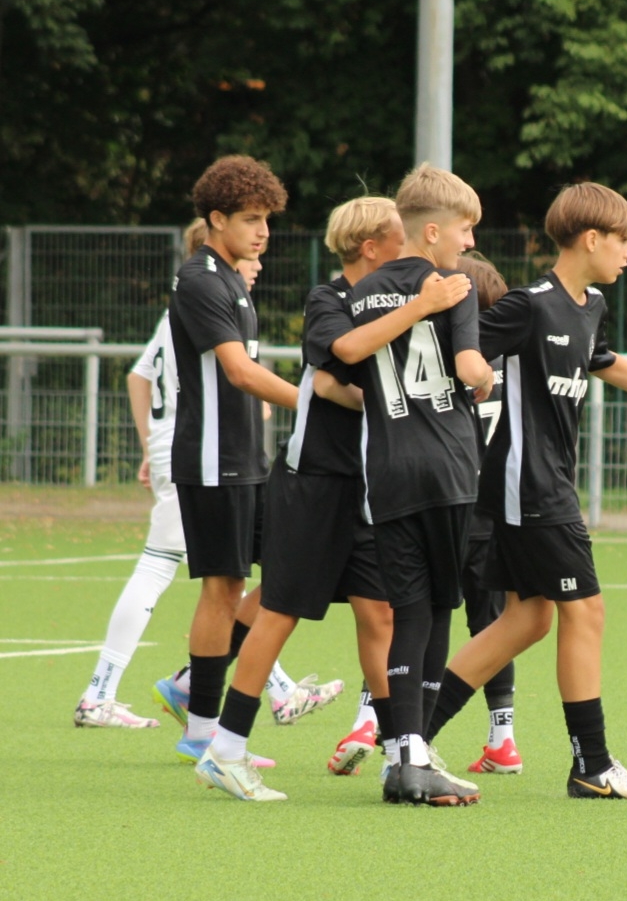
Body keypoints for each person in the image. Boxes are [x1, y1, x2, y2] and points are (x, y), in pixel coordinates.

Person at [432, 182, 627, 802]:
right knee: (584, 611)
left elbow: (603, 360)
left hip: (542, 485)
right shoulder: (529, 305)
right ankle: (593, 764)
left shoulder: (590, 305)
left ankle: (410, 738)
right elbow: (458, 349)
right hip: (530, 485)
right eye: (624, 241)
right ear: (592, 239)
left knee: (526, 619)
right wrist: (469, 378)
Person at [194, 194, 474, 800]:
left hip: (372, 485)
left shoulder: (408, 296)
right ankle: (225, 749)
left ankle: (402, 752)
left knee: (382, 615)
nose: (408, 252)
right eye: (397, 240)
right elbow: (329, 379)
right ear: (372, 247)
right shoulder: (331, 300)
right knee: (280, 611)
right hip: (316, 480)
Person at [75, 222, 322, 730]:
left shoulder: (223, 300)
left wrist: (149, 445)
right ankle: (103, 693)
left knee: (245, 577)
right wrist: (154, 445)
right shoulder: (198, 298)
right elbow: (227, 375)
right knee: (173, 570)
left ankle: (245, 688)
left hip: (204, 449)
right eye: (251, 247)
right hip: (200, 452)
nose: (259, 260)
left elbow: (140, 375)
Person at [331, 164, 493, 807]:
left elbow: (341, 365)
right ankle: (418, 757)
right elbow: (470, 367)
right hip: (448, 469)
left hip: (389, 472)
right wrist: (485, 378)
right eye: (465, 229)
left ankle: (404, 759)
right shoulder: (453, 286)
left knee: (406, 612)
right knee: (439, 608)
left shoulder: (362, 292)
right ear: (432, 231)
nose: (470, 242)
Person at [166, 156, 302, 765]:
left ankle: (191, 683)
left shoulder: (233, 280)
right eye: (251, 219)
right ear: (216, 219)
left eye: (267, 219)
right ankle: (201, 730)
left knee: (288, 573)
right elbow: (240, 372)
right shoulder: (200, 280)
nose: (263, 231)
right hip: (211, 459)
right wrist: (316, 402)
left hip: (249, 457)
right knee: (223, 589)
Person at [421, 255, 523, 775]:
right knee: (493, 626)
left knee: (414, 618)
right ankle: (503, 740)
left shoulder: (443, 358)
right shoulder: (511, 360)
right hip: (494, 513)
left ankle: (374, 723)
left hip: (445, 504)